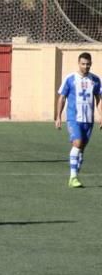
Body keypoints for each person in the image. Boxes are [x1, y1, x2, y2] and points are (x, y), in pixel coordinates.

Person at [55, 52, 102, 188]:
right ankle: (73, 177)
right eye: (83, 64)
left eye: (88, 64)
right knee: (77, 143)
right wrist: (58, 117)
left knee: (81, 149)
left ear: (91, 64)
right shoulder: (70, 79)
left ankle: (76, 173)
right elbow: (62, 98)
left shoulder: (96, 80)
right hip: (73, 118)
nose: (85, 66)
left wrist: (101, 115)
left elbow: (99, 99)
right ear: (78, 63)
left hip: (88, 120)